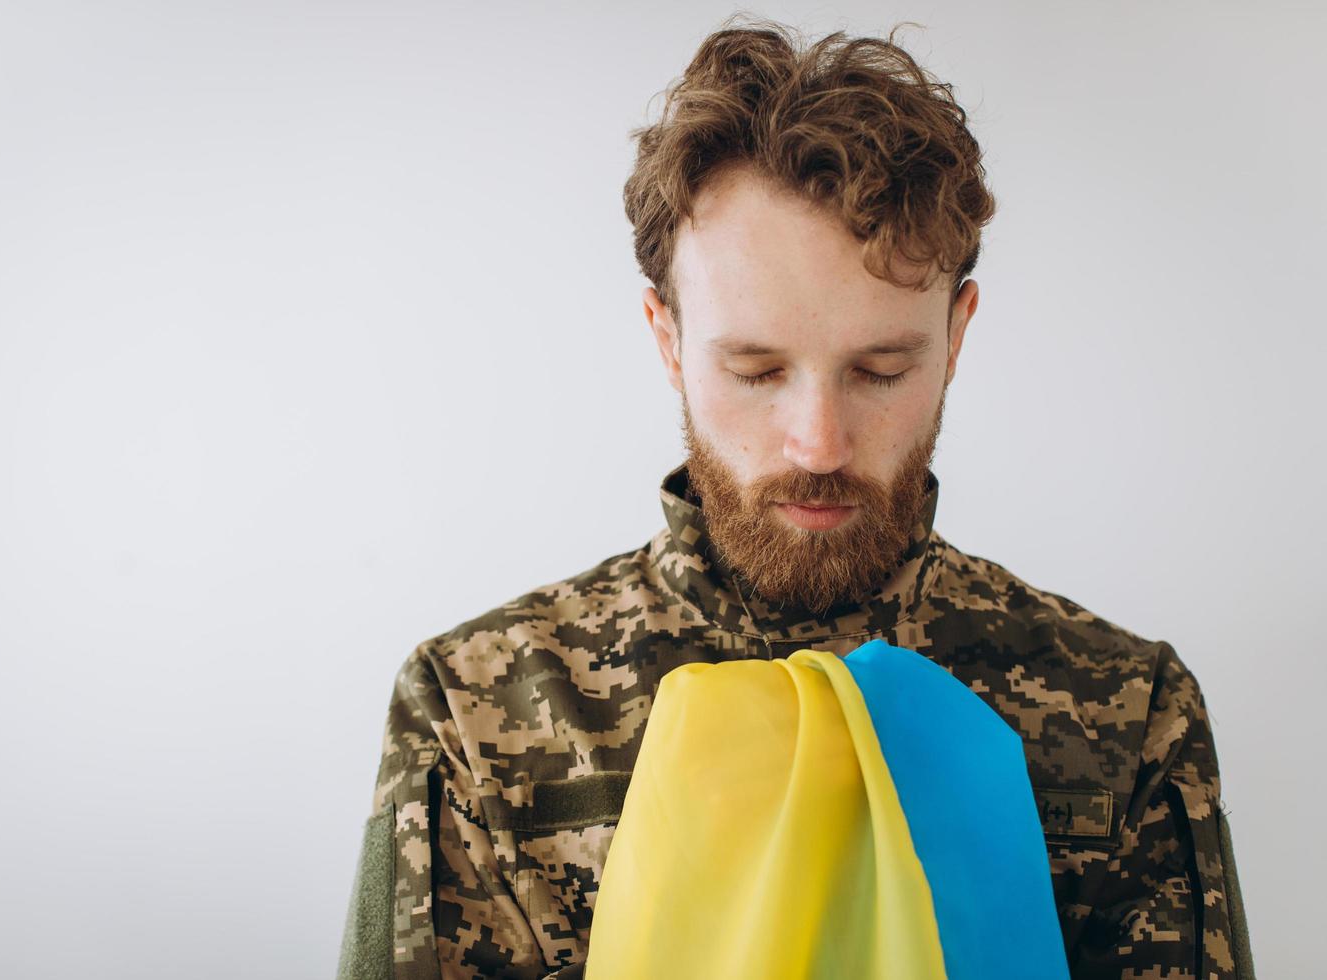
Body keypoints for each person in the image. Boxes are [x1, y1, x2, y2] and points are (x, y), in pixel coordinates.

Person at [335, 16, 1254, 980]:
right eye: (758, 370)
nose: (818, 443)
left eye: (883, 370)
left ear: (957, 335)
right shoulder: (472, 711)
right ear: (667, 339)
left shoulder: (1129, 714)